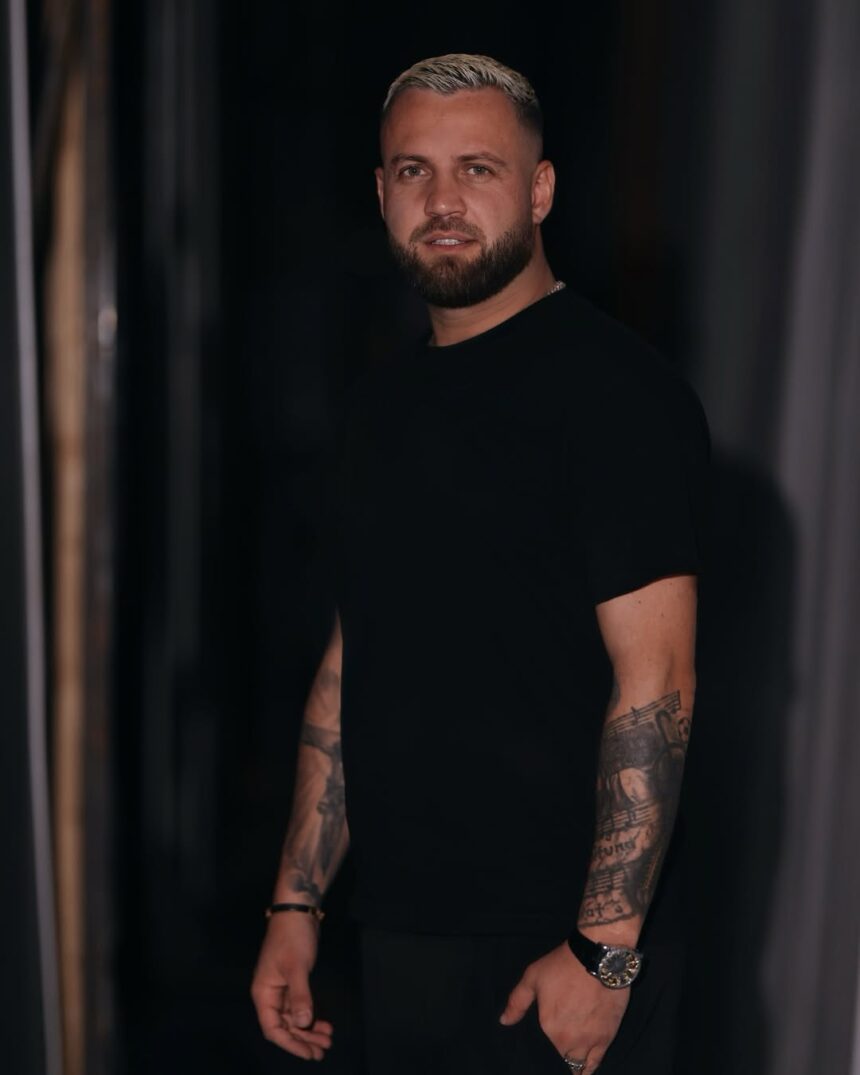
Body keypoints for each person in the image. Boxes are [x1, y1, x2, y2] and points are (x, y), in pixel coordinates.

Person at [251, 53, 709, 1075]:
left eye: (478, 169)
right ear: (381, 192)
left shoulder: (616, 397)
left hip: (562, 953)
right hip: (402, 940)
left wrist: (603, 954)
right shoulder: (377, 411)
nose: (443, 200)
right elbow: (350, 663)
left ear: (539, 190)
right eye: (414, 171)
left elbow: (659, 681)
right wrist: (295, 903)